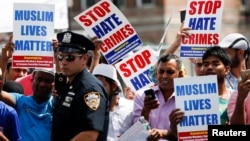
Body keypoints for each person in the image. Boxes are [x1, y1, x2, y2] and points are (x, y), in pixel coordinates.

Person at [51, 31, 109, 141]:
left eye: (69, 57)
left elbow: (89, 135)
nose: (63, 62)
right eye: (60, 57)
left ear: (84, 59)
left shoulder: (90, 89)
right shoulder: (71, 86)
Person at [133, 54, 184, 141]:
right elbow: (138, 133)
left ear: (180, 74)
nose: (164, 76)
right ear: (156, 73)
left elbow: (192, 135)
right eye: (161, 71)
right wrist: (145, 111)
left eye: (170, 72)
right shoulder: (142, 96)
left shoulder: (187, 98)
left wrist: (166, 133)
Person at [0, 68, 54, 141]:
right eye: (39, 79)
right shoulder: (20, 100)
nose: (42, 84)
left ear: (54, 84)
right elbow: (2, 95)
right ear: (32, 80)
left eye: (47, 81)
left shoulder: (58, 105)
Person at [92, 63, 134, 140]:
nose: (96, 90)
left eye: (101, 85)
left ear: (114, 86)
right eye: (94, 85)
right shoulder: (90, 112)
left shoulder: (131, 107)